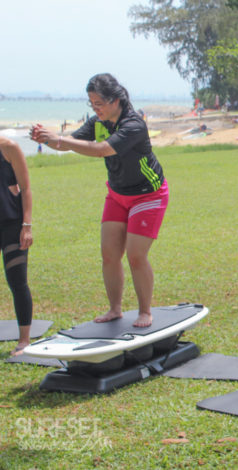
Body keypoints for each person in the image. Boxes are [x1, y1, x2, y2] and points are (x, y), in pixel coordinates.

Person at [31, 73, 168, 328]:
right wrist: (46, 138)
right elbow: (70, 144)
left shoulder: (133, 125)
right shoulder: (97, 122)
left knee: (136, 256)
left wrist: (59, 138)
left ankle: (145, 311)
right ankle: (115, 309)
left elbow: (102, 149)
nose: (95, 109)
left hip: (148, 193)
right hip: (117, 193)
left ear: (115, 100)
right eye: (91, 104)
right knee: (109, 254)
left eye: (99, 104)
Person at [0, 137, 33, 356]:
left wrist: (27, 226)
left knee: (17, 280)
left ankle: (24, 340)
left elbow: (26, 188)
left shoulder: (8, 147)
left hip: (12, 223)